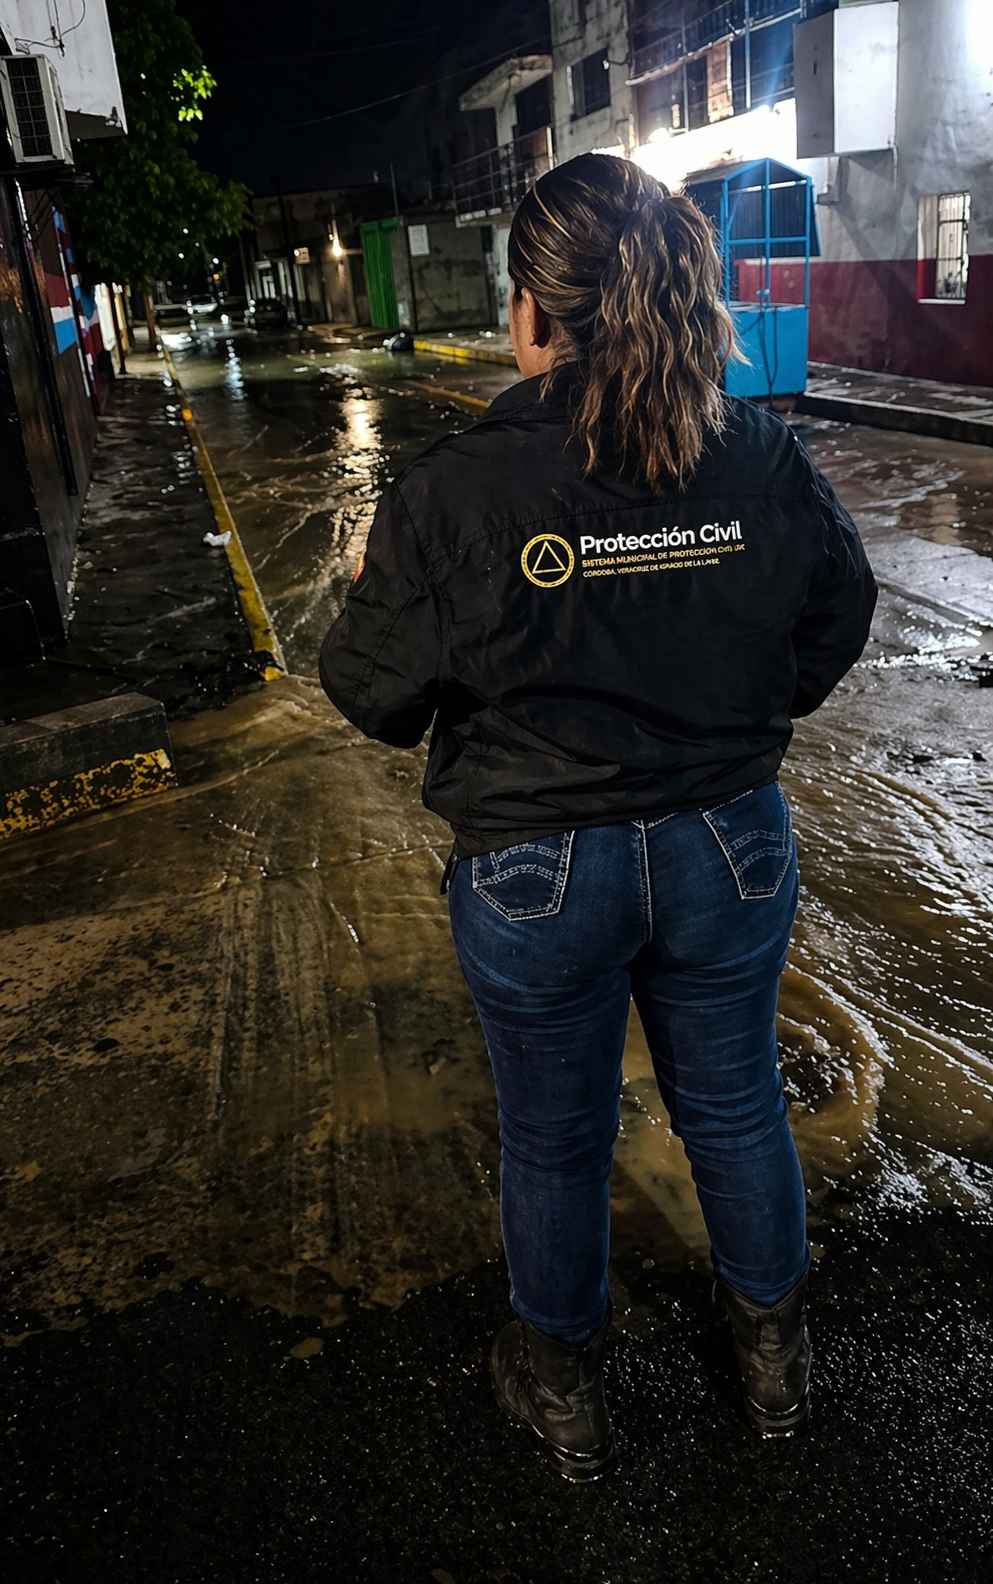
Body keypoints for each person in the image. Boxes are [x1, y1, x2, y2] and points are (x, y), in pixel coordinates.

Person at [320, 154, 876, 1482]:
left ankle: (562, 1381)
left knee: (555, 1138)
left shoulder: (456, 488)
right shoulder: (756, 448)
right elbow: (836, 614)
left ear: (534, 312)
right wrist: (738, 714)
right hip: (728, 844)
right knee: (735, 1104)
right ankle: (772, 1359)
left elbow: (373, 697)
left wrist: (377, 590)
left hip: (535, 873)